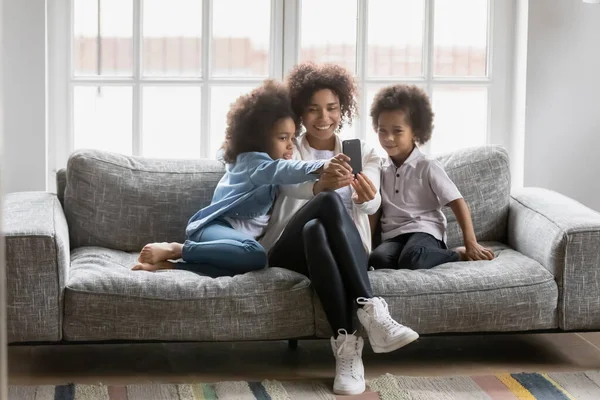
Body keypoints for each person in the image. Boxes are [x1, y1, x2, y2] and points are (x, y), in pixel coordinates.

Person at [260, 63, 418, 396]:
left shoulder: (363, 154)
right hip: (287, 250)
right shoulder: (289, 147)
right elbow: (285, 183)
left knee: (316, 230)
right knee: (327, 204)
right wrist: (319, 187)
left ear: (342, 109)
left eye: (332, 108)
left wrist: (367, 198)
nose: (323, 117)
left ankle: (348, 349)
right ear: (300, 112)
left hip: (344, 251)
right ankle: (372, 308)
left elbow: (371, 204)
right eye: (313, 109)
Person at [132, 80, 348, 277]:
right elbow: (281, 170)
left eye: (292, 137)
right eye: (283, 138)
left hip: (232, 243)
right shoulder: (254, 162)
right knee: (255, 255)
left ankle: (169, 266)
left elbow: (227, 156)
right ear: (259, 138)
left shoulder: (242, 160)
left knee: (247, 263)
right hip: (212, 230)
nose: (291, 145)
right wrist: (321, 165)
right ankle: (177, 249)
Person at [368, 84, 495, 274]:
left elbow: (457, 202)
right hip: (394, 236)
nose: (388, 138)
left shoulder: (427, 165)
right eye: (382, 130)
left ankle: (457, 255)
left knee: (414, 258)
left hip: (425, 230)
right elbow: (374, 209)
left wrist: (471, 243)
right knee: (377, 260)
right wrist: (366, 244)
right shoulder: (380, 168)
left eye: (397, 131)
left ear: (416, 132)